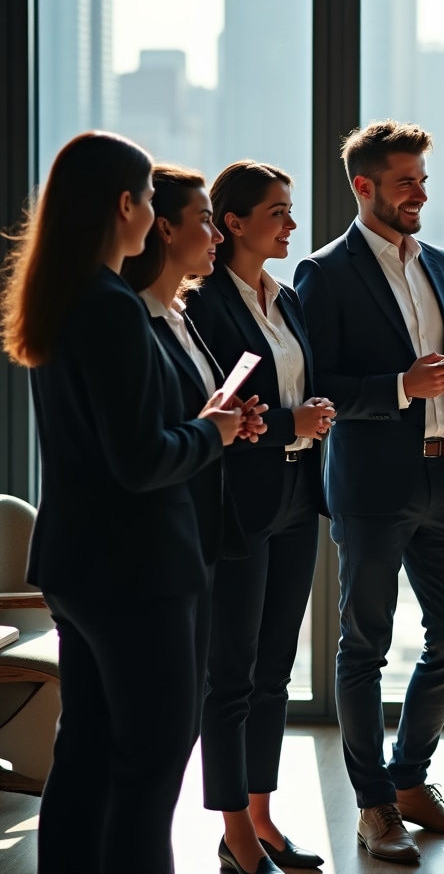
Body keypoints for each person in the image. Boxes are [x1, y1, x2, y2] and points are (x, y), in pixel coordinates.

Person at [0, 131, 242, 874]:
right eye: (146, 198)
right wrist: (212, 432)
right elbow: (141, 462)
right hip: (138, 573)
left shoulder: (65, 297)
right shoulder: (111, 309)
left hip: (81, 567)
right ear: (127, 206)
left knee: (88, 755)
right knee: (148, 770)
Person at [295, 120, 444, 865]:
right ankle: (374, 807)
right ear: (364, 187)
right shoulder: (324, 272)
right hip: (374, 485)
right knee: (364, 645)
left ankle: (409, 778)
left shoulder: (439, 261)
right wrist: (399, 388)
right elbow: (317, 384)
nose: (421, 194)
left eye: (423, 180)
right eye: (407, 181)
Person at [186, 160, 335, 874]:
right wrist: (289, 422)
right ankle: (234, 832)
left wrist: (317, 416)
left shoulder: (286, 297)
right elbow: (217, 413)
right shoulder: (206, 303)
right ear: (233, 223)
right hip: (241, 504)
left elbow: (302, 381)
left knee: (275, 668)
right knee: (232, 674)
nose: (291, 224)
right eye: (277, 212)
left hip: (299, 499)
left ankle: (264, 816)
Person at [121, 163, 266, 713]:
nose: (218, 236)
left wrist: (227, 422)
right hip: (155, 547)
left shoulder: (180, 314)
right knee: (164, 718)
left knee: (183, 715)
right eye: (206, 221)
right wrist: (210, 430)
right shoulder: (133, 319)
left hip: (196, 538)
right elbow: (144, 446)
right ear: (163, 229)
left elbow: (184, 415)